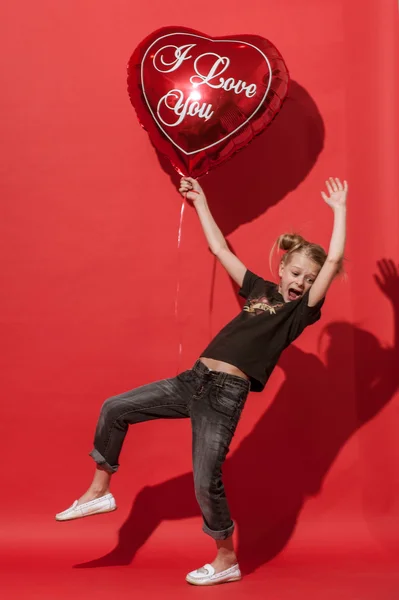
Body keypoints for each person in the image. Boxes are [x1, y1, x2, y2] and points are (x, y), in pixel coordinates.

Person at [56, 176, 348, 586]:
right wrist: (201, 203)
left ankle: (226, 559)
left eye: (308, 279)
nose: (300, 283)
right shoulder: (259, 290)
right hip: (191, 380)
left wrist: (339, 213)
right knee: (115, 407)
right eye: (296, 273)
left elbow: (333, 263)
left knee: (204, 481)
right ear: (282, 268)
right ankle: (100, 489)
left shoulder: (299, 314)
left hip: (225, 395)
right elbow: (219, 249)